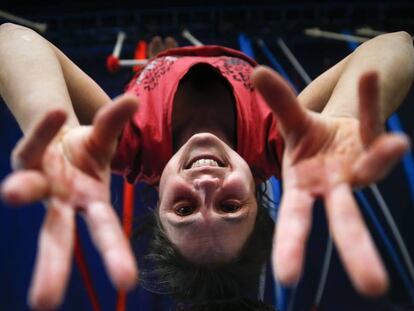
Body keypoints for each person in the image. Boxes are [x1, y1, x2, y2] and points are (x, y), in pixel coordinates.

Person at [0, 22, 413, 310]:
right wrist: (347, 117)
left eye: (184, 210)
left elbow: (11, 38)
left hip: (159, 67)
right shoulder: (277, 142)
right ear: (256, 186)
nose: (205, 187)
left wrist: (54, 128)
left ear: (157, 198)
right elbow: (397, 43)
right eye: (230, 206)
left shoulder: (130, 146)